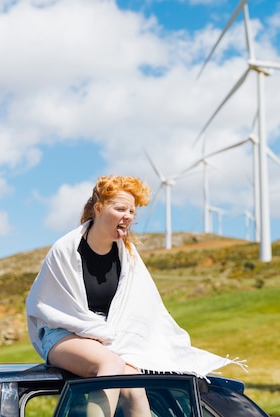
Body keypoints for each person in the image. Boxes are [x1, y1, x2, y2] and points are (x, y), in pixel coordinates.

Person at [26, 175, 242, 417]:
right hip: (62, 333)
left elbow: (143, 306)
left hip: (106, 338)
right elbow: (52, 308)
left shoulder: (127, 256)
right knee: (109, 365)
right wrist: (95, 333)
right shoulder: (66, 250)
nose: (128, 215)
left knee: (135, 389)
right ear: (98, 209)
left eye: (131, 211)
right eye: (120, 208)